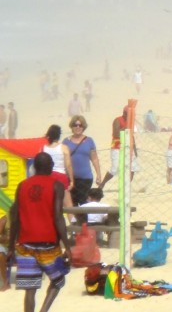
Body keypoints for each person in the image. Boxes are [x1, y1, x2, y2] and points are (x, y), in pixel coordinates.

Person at [6, 152, 73, 312]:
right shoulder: (56, 185)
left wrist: (10, 246)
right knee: (58, 280)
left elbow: (15, 217)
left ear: (34, 167)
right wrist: (68, 246)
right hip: (48, 243)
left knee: (30, 288)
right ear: (51, 166)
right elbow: (58, 217)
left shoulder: (22, 185)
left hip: (25, 244)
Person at [97, 106, 140, 189]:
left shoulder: (131, 122)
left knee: (133, 167)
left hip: (128, 147)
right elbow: (116, 134)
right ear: (124, 113)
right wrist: (126, 126)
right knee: (115, 168)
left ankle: (126, 186)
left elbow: (132, 136)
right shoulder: (117, 120)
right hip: (117, 147)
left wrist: (134, 149)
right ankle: (102, 184)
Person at [63, 115, 101, 207]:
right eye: (75, 125)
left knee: (84, 203)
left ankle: (84, 222)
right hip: (70, 179)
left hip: (86, 178)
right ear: (72, 126)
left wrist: (98, 174)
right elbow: (63, 160)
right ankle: (76, 222)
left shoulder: (89, 141)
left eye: (80, 125)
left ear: (83, 127)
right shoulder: (66, 141)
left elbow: (94, 158)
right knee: (73, 204)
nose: (78, 127)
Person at [41, 125, 74, 214]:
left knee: (50, 205)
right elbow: (68, 165)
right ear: (59, 135)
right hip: (61, 176)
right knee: (69, 206)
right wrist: (71, 180)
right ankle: (73, 227)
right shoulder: (63, 147)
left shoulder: (43, 148)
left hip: (47, 177)